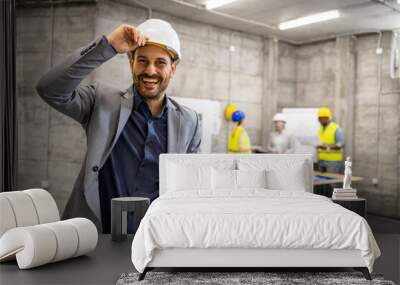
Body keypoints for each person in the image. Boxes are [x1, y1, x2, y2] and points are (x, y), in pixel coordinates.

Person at [36, 19, 201, 233]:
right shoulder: (101, 101)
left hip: (154, 237)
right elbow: (50, 89)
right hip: (94, 234)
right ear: (131, 61)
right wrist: (108, 46)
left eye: (160, 62)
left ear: (173, 68)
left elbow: (189, 188)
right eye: (142, 60)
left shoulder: (190, 121)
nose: (150, 71)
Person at [317, 107, 344, 173]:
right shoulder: (320, 129)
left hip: (333, 162)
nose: (319, 120)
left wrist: (326, 147)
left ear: (327, 118)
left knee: (332, 182)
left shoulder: (336, 129)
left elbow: (340, 145)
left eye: (321, 118)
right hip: (321, 160)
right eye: (319, 118)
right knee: (322, 182)